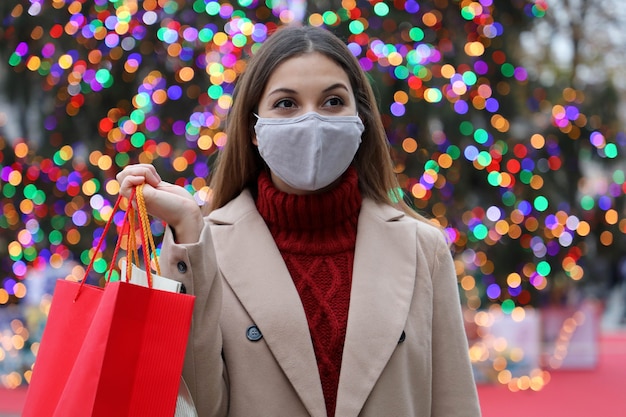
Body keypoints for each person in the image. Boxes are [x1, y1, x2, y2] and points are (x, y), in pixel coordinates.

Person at [117, 25, 481, 417]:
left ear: (360, 120)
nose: (313, 122)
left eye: (332, 102)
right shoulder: (207, 248)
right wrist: (189, 230)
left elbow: (453, 401)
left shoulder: (422, 247)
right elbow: (196, 407)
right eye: (287, 104)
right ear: (254, 129)